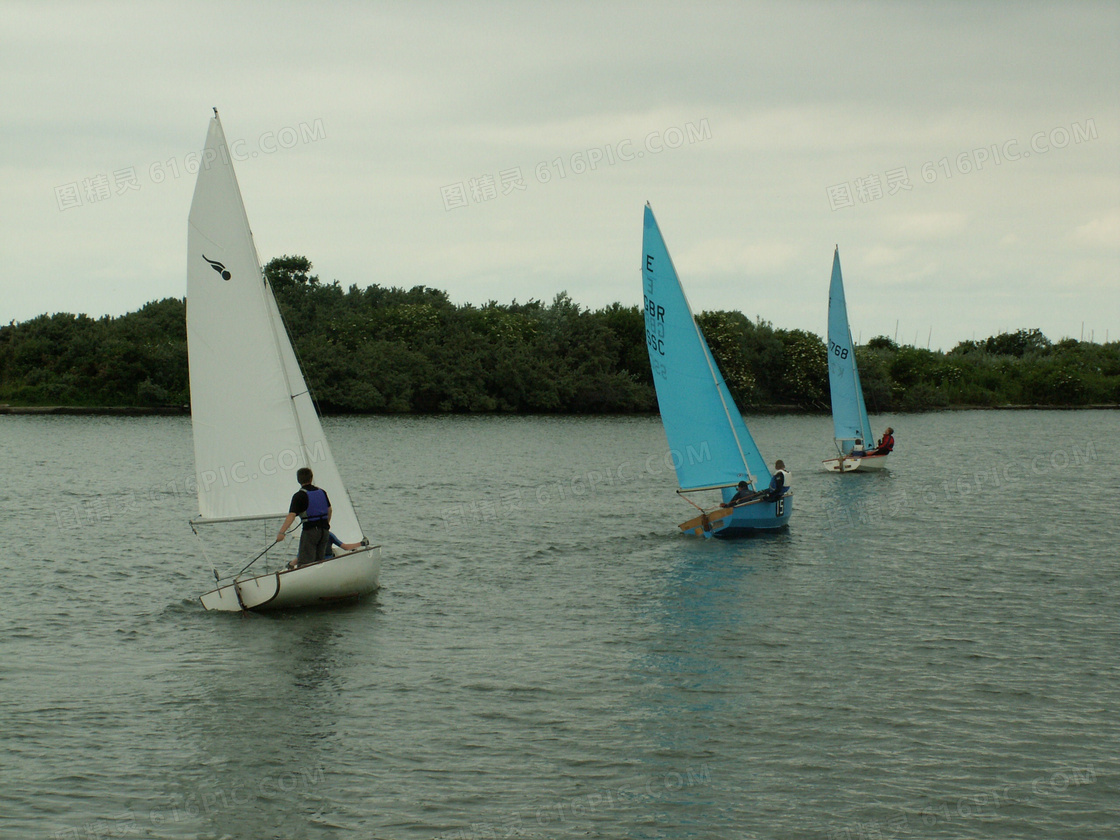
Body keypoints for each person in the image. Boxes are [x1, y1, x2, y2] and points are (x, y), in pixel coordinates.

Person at [276, 467, 332, 569]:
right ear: (311, 478)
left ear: (298, 480)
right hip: (324, 531)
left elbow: (291, 516)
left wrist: (281, 533)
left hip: (310, 532)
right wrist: (325, 524)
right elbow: (329, 510)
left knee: (305, 562)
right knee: (319, 561)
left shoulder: (299, 496)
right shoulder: (322, 492)